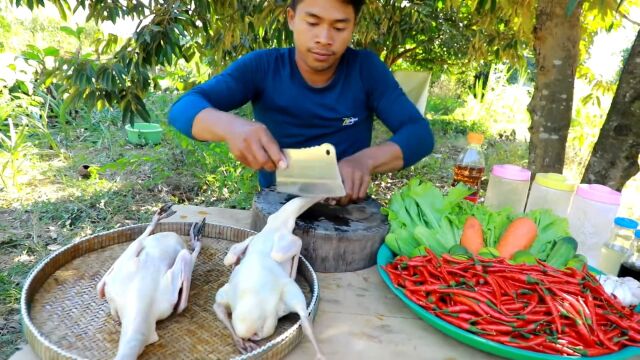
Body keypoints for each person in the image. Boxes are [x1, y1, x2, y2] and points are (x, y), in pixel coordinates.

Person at [168, 0, 434, 206]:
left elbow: (419, 133)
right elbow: (183, 108)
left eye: (340, 27)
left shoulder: (365, 70)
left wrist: (364, 161)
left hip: (348, 211)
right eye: (313, 22)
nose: (324, 38)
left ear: (353, 25)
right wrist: (231, 127)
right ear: (292, 18)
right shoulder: (262, 67)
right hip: (276, 207)